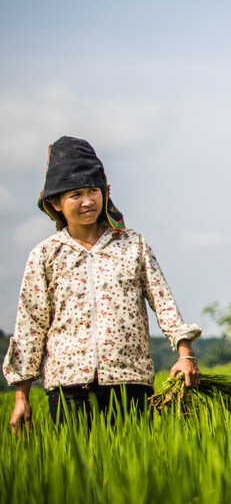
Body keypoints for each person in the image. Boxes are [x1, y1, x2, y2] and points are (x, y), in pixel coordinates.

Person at [3, 136, 201, 432]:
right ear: (55, 203)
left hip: (130, 381)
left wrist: (186, 355)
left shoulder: (133, 245)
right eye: (76, 194)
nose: (87, 201)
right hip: (69, 387)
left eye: (93, 191)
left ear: (105, 193)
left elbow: (164, 304)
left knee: (133, 472)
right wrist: (21, 396)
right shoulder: (46, 255)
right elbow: (30, 327)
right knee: (79, 475)